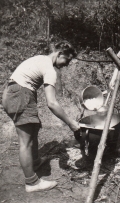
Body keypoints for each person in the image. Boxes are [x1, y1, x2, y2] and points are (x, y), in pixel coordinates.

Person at [2, 40, 80, 192]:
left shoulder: (40, 59)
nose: (67, 64)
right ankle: (32, 183)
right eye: (67, 59)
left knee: (33, 129)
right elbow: (52, 103)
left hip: (12, 93)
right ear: (60, 54)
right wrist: (71, 123)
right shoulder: (49, 69)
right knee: (26, 141)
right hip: (20, 95)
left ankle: (35, 161)